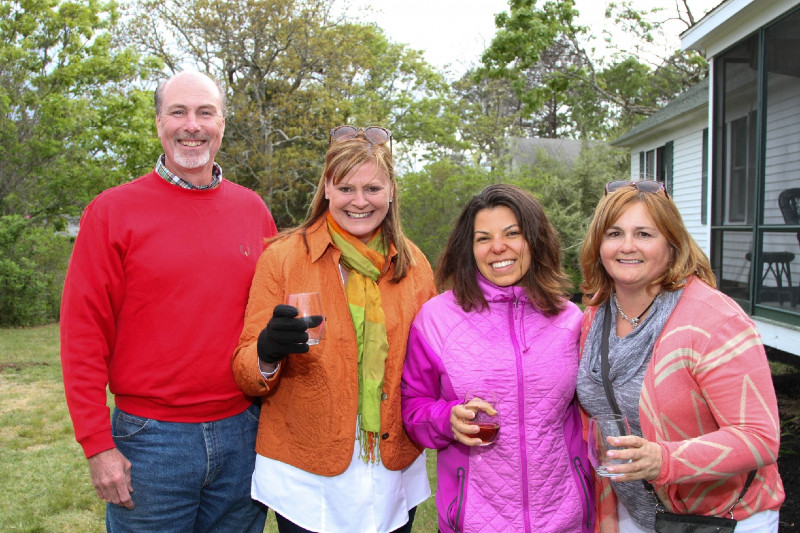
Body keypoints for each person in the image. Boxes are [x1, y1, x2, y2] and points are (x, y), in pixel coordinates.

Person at [60, 70, 276, 532]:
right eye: (178, 112)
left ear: (222, 123)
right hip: (149, 442)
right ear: (159, 123)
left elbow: (270, 320)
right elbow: (82, 334)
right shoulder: (112, 212)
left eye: (205, 113)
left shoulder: (252, 210)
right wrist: (98, 445)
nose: (191, 125)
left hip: (243, 433)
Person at [231, 125, 437, 533]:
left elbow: (433, 365)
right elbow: (246, 373)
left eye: (373, 189)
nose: (359, 202)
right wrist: (268, 353)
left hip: (392, 464)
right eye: (346, 188)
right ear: (327, 188)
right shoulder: (283, 259)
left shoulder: (414, 265)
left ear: (392, 191)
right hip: (306, 470)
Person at [576, 180, 785, 533]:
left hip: (724, 520)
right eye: (614, 233)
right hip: (635, 515)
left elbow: (759, 438)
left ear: (672, 245)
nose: (627, 246)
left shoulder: (714, 321)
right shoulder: (595, 318)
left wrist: (665, 459)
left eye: (644, 234)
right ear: (599, 245)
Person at [401, 184, 595, 533]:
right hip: (474, 520)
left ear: (534, 239)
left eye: (512, 233)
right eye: (483, 238)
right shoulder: (436, 320)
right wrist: (447, 419)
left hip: (566, 517)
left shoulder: (570, 319)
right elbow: (412, 406)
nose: (498, 248)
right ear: (468, 248)